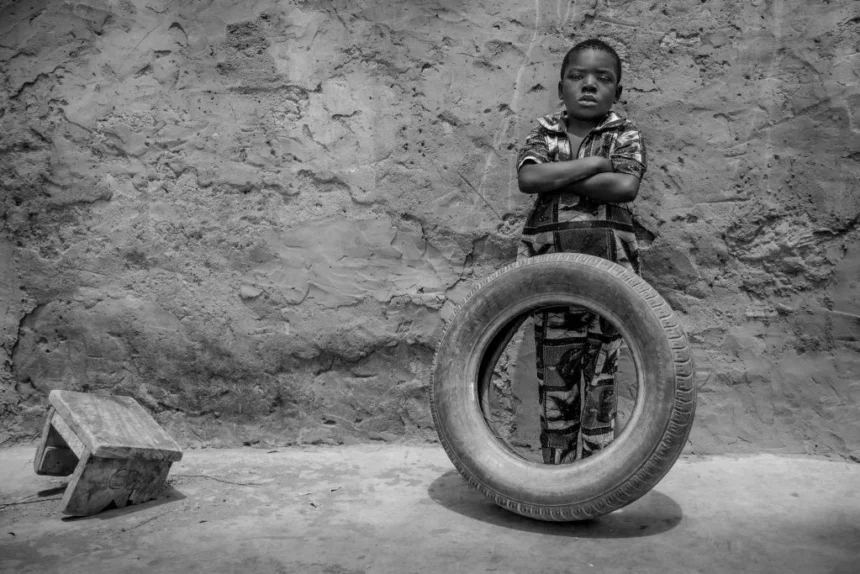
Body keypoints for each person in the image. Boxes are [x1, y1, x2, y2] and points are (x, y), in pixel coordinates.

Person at [515, 38, 647, 465]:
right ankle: (557, 479)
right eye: (577, 76)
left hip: (611, 283)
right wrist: (593, 166)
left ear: (617, 93)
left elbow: (624, 187)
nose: (588, 85)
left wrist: (557, 175)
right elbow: (529, 180)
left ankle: (594, 479)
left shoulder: (623, 133)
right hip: (550, 281)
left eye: (602, 78)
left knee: (601, 386)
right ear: (561, 87)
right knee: (555, 387)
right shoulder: (545, 131)